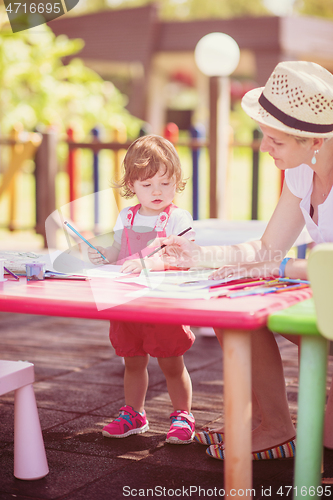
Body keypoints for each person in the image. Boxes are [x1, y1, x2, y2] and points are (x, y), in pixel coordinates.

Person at [161, 60, 333, 459]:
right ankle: (271, 425)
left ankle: (277, 425)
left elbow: (278, 262)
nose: (263, 147)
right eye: (264, 136)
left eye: (275, 140)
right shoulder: (303, 171)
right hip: (327, 307)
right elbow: (267, 248)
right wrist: (201, 256)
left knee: (325, 446)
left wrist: (280, 267)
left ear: (316, 141)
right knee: (233, 302)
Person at [88, 134, 196, 444]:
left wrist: (152, 264)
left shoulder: (177, 218)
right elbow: (119, 249)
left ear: (176, 180)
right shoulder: (127, 216)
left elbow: (186, 256)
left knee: (172, 362)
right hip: (128, 302)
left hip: (163, 304)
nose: (157, 191)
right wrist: (103, 254)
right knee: (132, 360)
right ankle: (134, 413)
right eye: (147, 185)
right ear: (131, 185)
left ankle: (182, 414)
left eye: (165, 183)